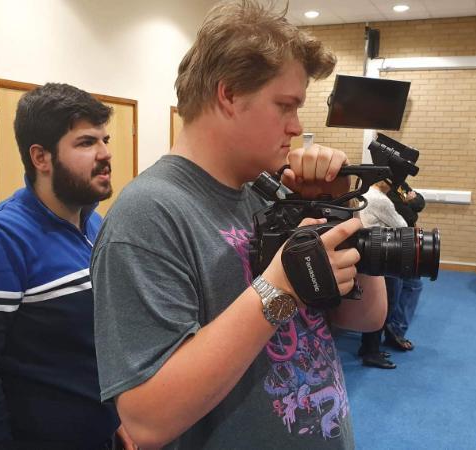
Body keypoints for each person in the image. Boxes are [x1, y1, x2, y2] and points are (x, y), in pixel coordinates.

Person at [90, 2, 387, 449]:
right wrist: (280, 290)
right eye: (285, 106)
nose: (297, 126)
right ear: (228, 95)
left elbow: (366, 317)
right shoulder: (148, 214)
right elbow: (146, 421)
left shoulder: (270, 193)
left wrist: (340, 209)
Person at [0, 83, 132, 450]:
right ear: (41, 158)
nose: (105, 153)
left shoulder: (92, 223)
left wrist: (114, 415)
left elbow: (90, 343)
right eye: (86, 143)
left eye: (104, 140)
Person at [357, 179, 407, 369]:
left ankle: (368, 347)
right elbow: (403, 226)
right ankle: (372, 353)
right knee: (385, 305)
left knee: (374, 303)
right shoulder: (380, 199)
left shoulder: (362, 194)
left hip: (368, 255)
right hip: (384, 257)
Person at [383, 182, 427, 352]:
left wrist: (412, 201)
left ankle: (396, 330)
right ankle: (389, 331)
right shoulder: (382, 188)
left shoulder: (399, 185)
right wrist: (409, 203)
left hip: (407, 243)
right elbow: (407, 216)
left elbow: (419, 203)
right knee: (394, 291)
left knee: (413, 284)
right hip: (391, 245)